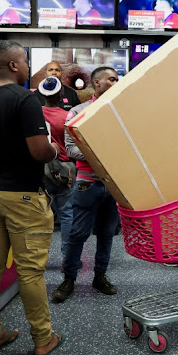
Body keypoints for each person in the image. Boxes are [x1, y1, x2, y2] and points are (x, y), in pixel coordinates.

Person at [0, 40, 64, 355]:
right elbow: (38, 151)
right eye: (27, 63)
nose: (30, 69)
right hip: (21, 195)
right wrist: (54, 150)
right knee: (30, 270)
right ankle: (43, 338)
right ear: (15, 65)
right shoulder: (23, 99)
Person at [53, 66, 121, 302]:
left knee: (107, 233)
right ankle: (69, 278)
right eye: (111, 79)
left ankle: (100, 276)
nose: (116, 83)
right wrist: (102, 154)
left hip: (114, 184)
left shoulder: (121, 112)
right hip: (86, 183)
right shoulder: (78, 112)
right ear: (97, 83)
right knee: (77, 233)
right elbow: (71, 149)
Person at [39, 76, 75, 244]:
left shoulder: (35, 114)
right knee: (67, 213)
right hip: (64, 171)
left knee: (41, 214)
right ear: (61, 93)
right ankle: (67, 257)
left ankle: (41, 258)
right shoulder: (68, 116)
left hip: (41, 169)